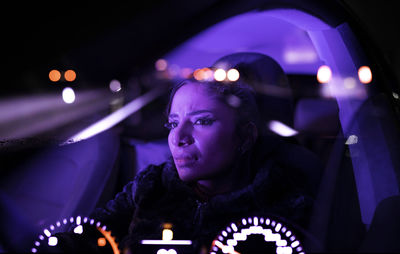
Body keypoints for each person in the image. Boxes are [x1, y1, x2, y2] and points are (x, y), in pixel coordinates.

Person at [51, 52, 322, 253]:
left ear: (245, 136)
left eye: (202, 121)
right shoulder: (152, 185)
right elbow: (89, 235)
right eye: (172, 123)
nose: (178, 138)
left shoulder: (285, 208)